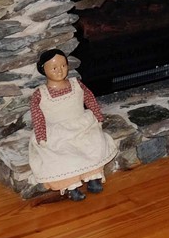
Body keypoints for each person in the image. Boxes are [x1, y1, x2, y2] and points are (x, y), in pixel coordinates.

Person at [28, 49, 117, 201]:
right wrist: (41, 136)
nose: (60, 70)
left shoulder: (76, 84)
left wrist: (98, 117)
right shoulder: (40, 94)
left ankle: (93, 178)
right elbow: (38, 116)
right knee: (62, 155)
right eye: (54, 68)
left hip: (81, 124)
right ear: (44, 69)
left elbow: (89, 100)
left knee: (94, 143)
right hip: (58, 131)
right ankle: (72, 186)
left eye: (63, 65)